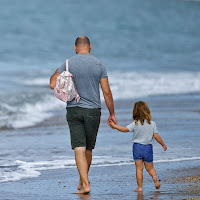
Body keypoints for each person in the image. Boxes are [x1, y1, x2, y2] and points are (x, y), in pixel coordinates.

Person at [49, 36, 117, 194]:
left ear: (75, 47)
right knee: (88, 149)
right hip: (93, 111)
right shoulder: (99, 65)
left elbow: (52, 84)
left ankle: (84, 183)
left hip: (74, 109)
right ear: (90, 46)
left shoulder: (68, 63)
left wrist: (59, 70)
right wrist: (112, 113)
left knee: (78, 147)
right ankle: (84, 181)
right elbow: (106, 92)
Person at [109, 101, 167, 192]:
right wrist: (163, 144)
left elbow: (124, 129)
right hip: (148, 148)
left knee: (139, 169)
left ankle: (140, 188)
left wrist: (114, 126)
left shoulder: (135, 123)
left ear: (135, 112)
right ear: (147, 111)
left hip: (137, 148)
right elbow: (156, 136)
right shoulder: (152, 123)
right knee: (150, 168)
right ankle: (154, 177)